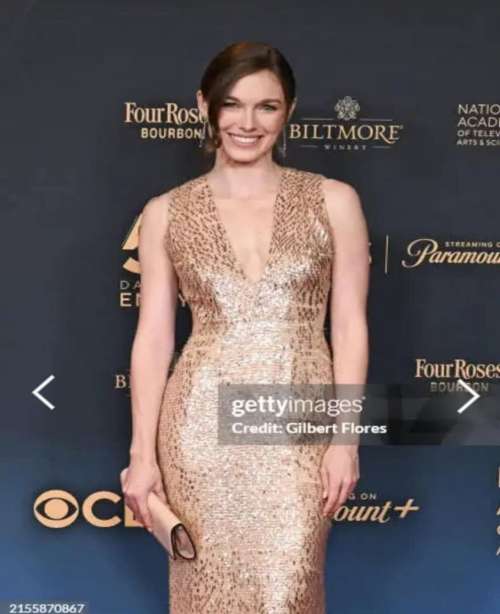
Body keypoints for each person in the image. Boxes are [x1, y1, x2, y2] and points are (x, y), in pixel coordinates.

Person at [121, 41, 370, 613]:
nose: (247, 123)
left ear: (289, 111)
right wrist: (142, 455)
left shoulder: (334, 201)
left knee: (290, 590)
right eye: (232, 104)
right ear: (204, 105)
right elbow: (153, 339)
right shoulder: (166, 212)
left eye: (267, 106)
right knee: (206, 594)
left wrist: (346, 439)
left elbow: (350, 327)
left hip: (298, 429)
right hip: (199, 430)